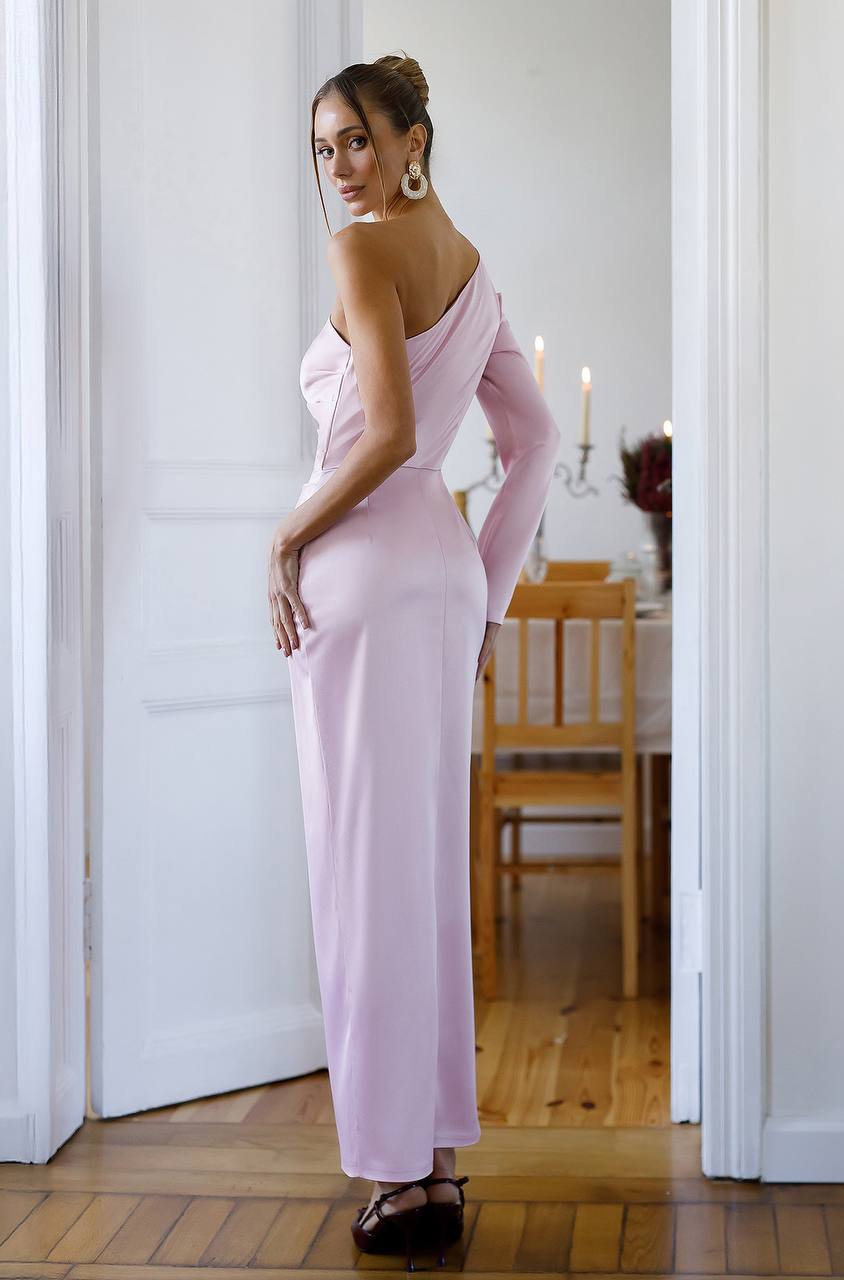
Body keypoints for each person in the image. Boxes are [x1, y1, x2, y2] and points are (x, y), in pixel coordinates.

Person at [265, 54, 561, 1268]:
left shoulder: (365, 252)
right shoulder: (474, 269)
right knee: (423, 871)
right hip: (438, 581)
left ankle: (394, 1175)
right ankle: (435, 1159)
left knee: (361, 874)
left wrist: (290, 529)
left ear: (412, 138)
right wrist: (483, 598)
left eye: (358, 142)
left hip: (364, 581)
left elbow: (385, 430)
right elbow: (533, 442)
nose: (342, 168)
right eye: (325, 148)